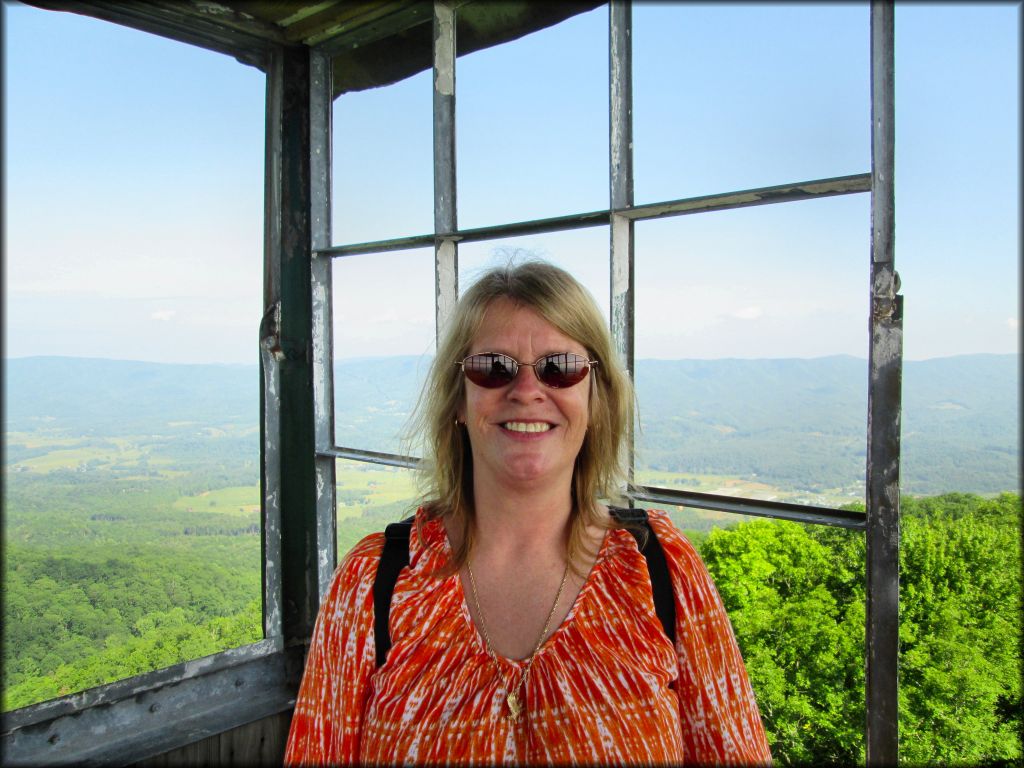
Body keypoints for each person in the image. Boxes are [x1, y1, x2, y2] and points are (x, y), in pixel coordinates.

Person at [284, 260, 772, 765]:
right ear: (458, 400)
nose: (526, 391)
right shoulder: (373, 584)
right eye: (493, 367)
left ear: (595, 398)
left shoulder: (660, 570)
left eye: (560, 368)